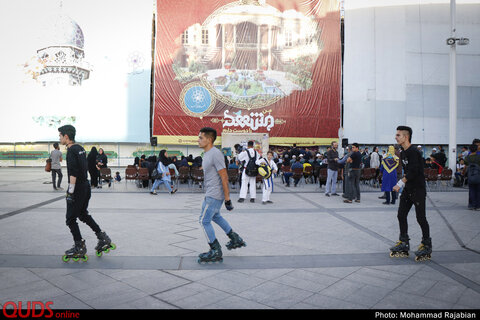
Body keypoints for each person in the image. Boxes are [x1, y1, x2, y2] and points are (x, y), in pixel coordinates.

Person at [58, 125, 114, 261]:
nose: (59, 138)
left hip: (77, 188)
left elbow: (73, 173)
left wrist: (70, 192)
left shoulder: (71, 151)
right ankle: (103, 237)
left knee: (70, 219)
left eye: (60, 135)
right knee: (83, 214)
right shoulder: (81, 148)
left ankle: (79, 246)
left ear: (66, 136)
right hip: (86, 186)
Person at [197, 127, 246, 264]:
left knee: (204, 221)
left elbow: (224, 177)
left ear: (209, 139)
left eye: (201, 137)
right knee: (216, 217)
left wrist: (227, 199)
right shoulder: (207, 154)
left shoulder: (215, 154)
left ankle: (215, 250)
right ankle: (235, 238)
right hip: (210, 193)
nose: (198, 140)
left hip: (214, 194)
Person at [390, 125, 432, 261]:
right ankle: (404, 242)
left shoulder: (414, 152)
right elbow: (407, 171)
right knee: (401, 214)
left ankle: (426, 244)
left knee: (421, 218)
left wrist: (400, 183)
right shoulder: (402, 152)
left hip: (418, 190)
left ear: (406, 137)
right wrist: (404, 184)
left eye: (398, 135)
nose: (396, 137)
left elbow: (413, 171)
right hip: (408, 190)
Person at [465, 141, 480, 210]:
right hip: (478, 175)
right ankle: (478, 205)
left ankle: (471, 205)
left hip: (470, 176)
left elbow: (465, 166)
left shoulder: (467, 158)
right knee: (478, 191)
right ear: (476, 149)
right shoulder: (479, 157)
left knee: (471, 190)